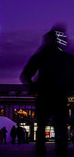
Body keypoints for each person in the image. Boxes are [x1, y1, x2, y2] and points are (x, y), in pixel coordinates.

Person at [20, 24, 74, 157]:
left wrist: (32, 87)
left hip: (44, 95)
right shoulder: (65, 57)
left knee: (42, 127)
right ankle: (60, 153)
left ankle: (41, 153)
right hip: (59, 96)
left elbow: (25, 74)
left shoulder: (42, 56)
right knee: (60, 128)